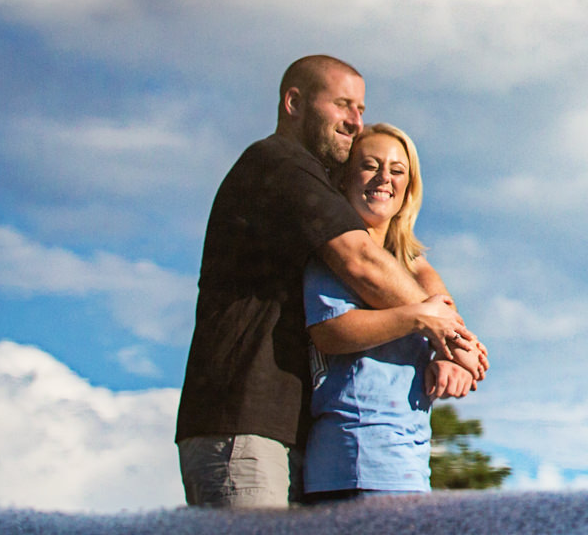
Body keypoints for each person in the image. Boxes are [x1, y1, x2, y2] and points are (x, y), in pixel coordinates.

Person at [175, 55, 485, 508]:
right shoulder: (280, 163)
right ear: (294, 102)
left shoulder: (310, 184)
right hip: (242, 422)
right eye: (343, 105)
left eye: (360, 108)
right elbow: (361, 261)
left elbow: (407, 265)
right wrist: (450, 338)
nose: (355, 121)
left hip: (285, 432)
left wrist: (446, 332)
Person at [302, 123, 479, 500]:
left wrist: (451, 363)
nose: (384, 178)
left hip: (408, 463)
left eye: (397, 170)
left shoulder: (414, 266)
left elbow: (451, 327)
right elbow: (331, 331)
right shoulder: (336, 256)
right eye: (370, 166)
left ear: (408, 189)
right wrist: (417, 318)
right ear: (345, 180)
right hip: (356, 457)